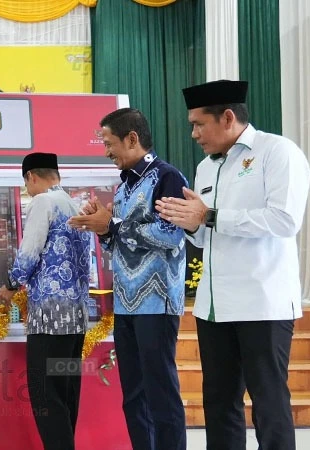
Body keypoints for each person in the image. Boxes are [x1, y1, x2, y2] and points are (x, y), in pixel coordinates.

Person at [156, 80, 310, 450]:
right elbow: (205, 236)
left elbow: (284, 220)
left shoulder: (277, 152)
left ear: (227, 117)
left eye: (199, 124)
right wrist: (190, 223)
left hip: (263, 303)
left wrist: (209, 216)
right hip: (215, 307)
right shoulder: (205, 168)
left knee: (268, 402)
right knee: (220, 403)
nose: (194, 134)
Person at [68, 108, 188, 450]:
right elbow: (119, 242)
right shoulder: (123, 187)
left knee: (161, 394)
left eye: (110, 143)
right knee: (133, 397)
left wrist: (113, 225)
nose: (107, 152)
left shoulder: (167, 177)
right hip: (125, 305)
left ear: (132, 138)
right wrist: (102, 228)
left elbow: (171, 235)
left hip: (157, 303)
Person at [0, 152, 90, 450]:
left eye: (27, 185)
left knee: (45, 395)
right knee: (65, 393)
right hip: (76, 317)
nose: (28, 190)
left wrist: (11, 285)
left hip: (50, 318)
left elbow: (29, 251)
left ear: (31, 177)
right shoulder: (76, 204)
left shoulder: (43, 202)